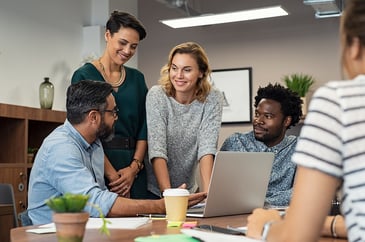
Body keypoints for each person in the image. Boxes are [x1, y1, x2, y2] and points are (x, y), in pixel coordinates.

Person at [246, 0, 365, 241]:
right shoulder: (238, 142)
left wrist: (265, 226)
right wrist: (331, 224)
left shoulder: (339, 101)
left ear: (353, 46)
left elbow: (297, 236)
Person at [27, 80, 206, 225]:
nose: (116, 118)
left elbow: (101, 201)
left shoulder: (94, 143)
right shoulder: (60, 148)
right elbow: (95, 203)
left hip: (86, 229)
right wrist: (161, 206)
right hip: (54, 235)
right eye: (113, 112)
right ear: (93, 117)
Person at [71, 11, 149, 199]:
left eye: (133, 46)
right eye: (122, 43)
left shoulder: (138, 79)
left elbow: (144, 128)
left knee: (142, 225)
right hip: (98, 163)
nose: (127, 51)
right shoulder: (83, 75)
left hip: (133, 169)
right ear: (107, 35)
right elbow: (81, 129)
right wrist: (113, 176)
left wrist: (134, 168)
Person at [145, 42, 223, 198]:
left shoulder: (213, 98)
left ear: (201, 72)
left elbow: (207, 149)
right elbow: (157, 149)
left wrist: (208, 196)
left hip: (189, 189)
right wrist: (168, 195)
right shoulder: (157, 95)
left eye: (187, 70)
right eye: (174, 68)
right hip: (154, 190)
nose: (178, 75)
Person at [221, 83, 302, 207]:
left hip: (282, 219)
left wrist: (263, 203)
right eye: (257, 114)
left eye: (268, 116)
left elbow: (301, 192)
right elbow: (221, 190)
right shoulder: (236, 143)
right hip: (236, 215)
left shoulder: (298, 148)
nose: (258, 121)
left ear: (286, 121)